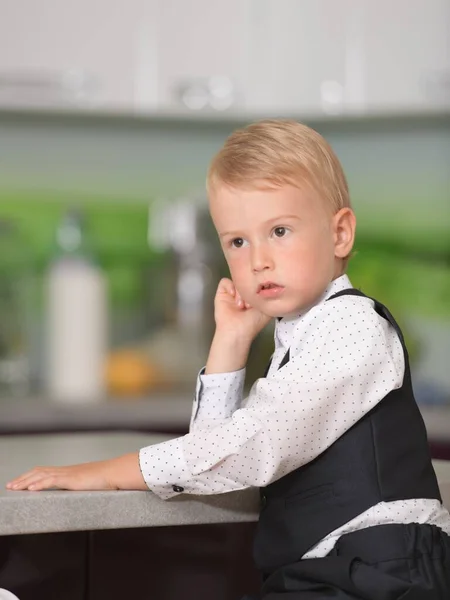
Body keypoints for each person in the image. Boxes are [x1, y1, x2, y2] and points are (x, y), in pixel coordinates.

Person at [7, 120, 450, 598]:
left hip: (383, 574)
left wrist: (109, 471)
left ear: (340, 233)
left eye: (279, 231)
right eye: (238, 242)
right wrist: (231, 343)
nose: (258, 259)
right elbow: (211, 464)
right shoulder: (301, 337)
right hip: (333, 575)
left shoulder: (353, 327)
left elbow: (250, 447)